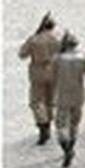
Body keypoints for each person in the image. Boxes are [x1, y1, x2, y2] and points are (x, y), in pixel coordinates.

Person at [51, 32, 85, 168]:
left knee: (60, 124)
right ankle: (72, 143)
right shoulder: (83, 58)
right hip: (78, 95)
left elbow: (52, 78)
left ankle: (66, 148)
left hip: (62, 95)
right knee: (74, 123)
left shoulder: (57, 59)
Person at [19, 13, 61, 145]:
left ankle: (43, 124)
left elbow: (22, 54)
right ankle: (48, 121)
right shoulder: (57, 38)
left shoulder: (34, 39)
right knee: (50, 100)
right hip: (53, 70)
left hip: (37, 71)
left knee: (36, 101)